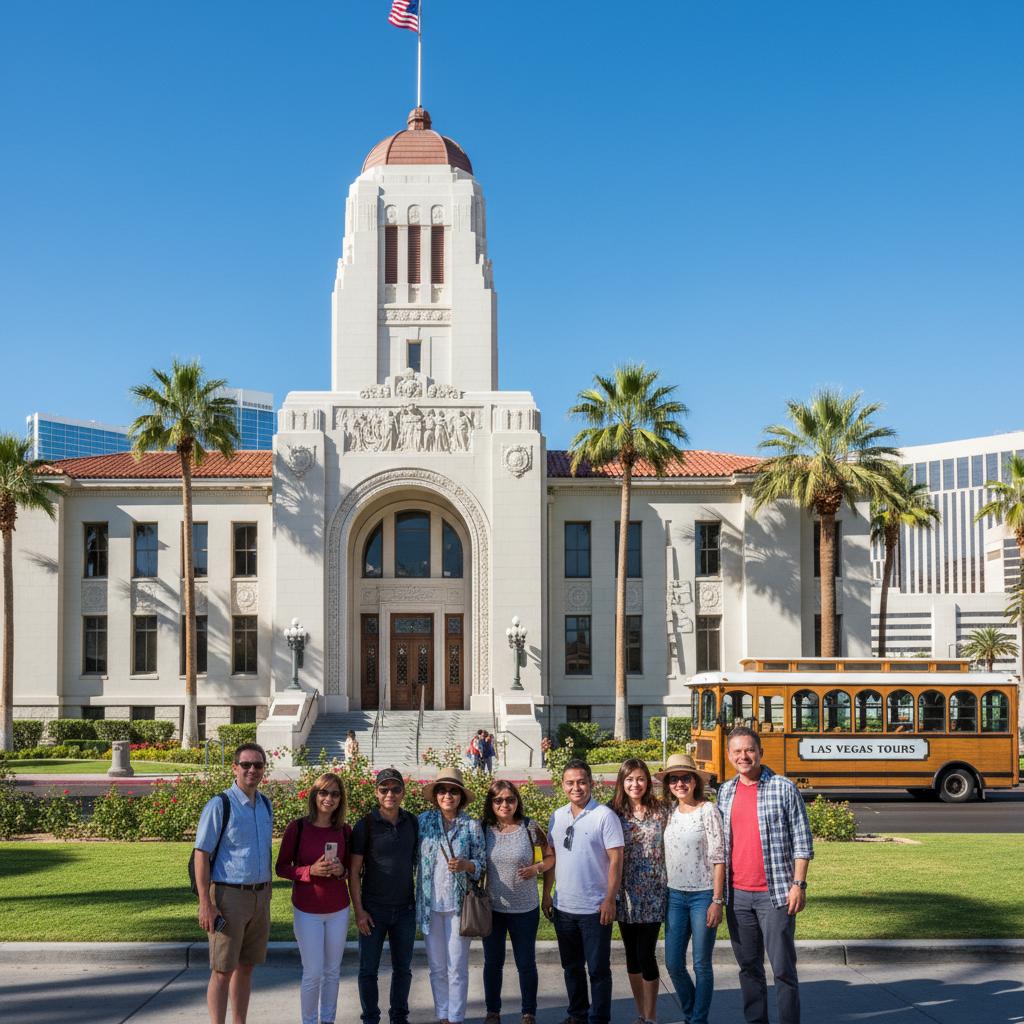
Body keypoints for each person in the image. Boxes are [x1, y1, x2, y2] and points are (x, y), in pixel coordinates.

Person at [717, 726, 813, 1024]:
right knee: (749, 968)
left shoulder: (783, 787)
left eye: (749, 750)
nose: (743, 756)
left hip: (776, 895)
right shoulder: (725, 792)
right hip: (738, 896)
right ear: (729, 755)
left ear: (760, 752)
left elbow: (802, 841)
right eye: (737, 751)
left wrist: (798, 884)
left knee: (783, 968)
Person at [194, 742, 274, 1024]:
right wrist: (206, 903)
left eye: (258, 765)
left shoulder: (265, 804)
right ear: (235, 768)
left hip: (260, 897)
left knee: (247, 967)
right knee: (222, 970)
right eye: (246, 765)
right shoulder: (221, 804)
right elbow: (201, 854)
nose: (252, 770)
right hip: (229, 897)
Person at [542, 757, 624, 1024]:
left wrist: (610, 899)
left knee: (598, 970)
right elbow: (552, 859)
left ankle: (599, 1018)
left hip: (595, 908)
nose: (576, 787)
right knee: (572, 967)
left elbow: (616, 860)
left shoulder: (605, 817)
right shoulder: (557, 816)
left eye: (581, 782)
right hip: (564, 907)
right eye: (570, 783)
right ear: (562, 785)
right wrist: (547, 894)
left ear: (591, 783)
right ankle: (577, 1014)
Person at [275, 772, 351, 1024]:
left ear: (340, 799)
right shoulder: (297, 827)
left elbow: (352, 868)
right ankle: (309, 1021)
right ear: (314, 795)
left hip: (338, 909)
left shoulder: (345, 831)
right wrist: (309, 871)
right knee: (313, 972)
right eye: (324, 792)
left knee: (332, 972)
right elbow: (282, 867)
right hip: (307, 910)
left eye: (335, 794)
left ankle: (327, 1019)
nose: (329, 798)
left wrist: (342, 871)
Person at [656, 752, 725, 1024]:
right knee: (673, 964)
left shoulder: (708, 810)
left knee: (701, 964)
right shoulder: (670, 812)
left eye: (685, 778)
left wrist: (717, 900)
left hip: (703, 895)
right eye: (674, 779)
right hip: (674, 896)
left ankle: (697, 1020)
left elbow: (718, 857)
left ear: (695, 781)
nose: (680, 784)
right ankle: (691, 1014)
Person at [480, 779, 555, 1024]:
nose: (504, 804)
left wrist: (537, 869)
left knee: (525, 962)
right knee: (493, 963)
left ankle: (528, 1012)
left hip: (525, 908)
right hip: (493, 908)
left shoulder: (529, 827)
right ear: (491, 803)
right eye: (498, 800)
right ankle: (493, 1011)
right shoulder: (483, 829)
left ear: (517, 802)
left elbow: (550, 858)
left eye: (510, 799)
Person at [416, 767, 486, 1024]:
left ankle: (456, 1017)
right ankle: (442, 1015)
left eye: (453, 791)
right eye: (443, 790)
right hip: (429, 904)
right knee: (436, 967)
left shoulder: (471, 825)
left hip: (459, 906)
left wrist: (467, 865)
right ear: (436, 795)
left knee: (456, 966)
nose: (448, 795)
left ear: (461, 796)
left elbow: (482, 864)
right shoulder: (422, 822)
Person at [349, 768, 419, 1024]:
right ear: (376, 792)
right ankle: (370, 1018)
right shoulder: (365, 825)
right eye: (384, 789)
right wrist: (359, 911)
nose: (390, 794)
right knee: (368, 970)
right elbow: (354, 872)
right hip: (373, 910)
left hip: (405, 910)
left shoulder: (412, 822)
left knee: (403, 969)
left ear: (403, 792)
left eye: (395, 789)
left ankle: (399, 1017)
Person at [610, 758, 669, 1024]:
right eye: (630, 779)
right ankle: (640, 1012)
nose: (636, 784)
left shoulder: (662, 811)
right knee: (631, 954)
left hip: (654, 891)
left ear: (648, 781)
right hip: (625, 893)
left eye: (640, 778)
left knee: (646, 952)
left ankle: (652, 1014)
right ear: (622, 782)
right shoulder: (613, 813)